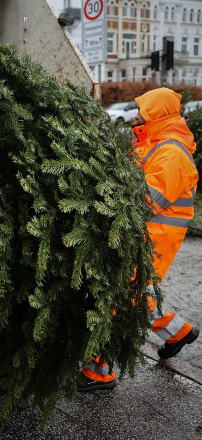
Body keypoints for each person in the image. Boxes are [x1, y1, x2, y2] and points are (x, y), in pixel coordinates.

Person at [78, 87, 200, 392]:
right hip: (141, 235)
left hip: (153, 239)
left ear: (158, 114)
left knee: (116, 297)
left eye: (144, 110)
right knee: (131, 294)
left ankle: (98, 371)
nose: (138, 114)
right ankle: (178, 332)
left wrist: (105, 193)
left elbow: (147, 201)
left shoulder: (171, 153)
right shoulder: (154, 143)